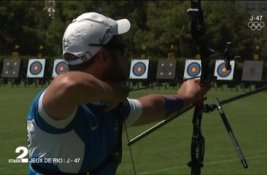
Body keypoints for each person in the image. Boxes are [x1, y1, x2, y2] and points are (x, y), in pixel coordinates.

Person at [27, 12, 210, 175]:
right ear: (104, 56)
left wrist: (184, 98)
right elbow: (67, 84)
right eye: (122, 50)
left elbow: (150, 107)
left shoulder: (110, 108)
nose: (126, 57)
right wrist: (112, 92)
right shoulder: (55, 108)